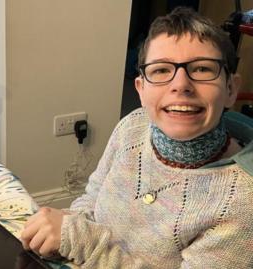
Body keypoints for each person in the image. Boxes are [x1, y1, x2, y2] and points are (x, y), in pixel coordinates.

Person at [21, 7, 253, 269]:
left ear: (231, 89)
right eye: (162, 70)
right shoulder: (133, 125)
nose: (181, 84)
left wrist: (79, 239)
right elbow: (93, 196)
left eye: (201, 69)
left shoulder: (242, 200)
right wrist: (66, 224)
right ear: (141, 90)